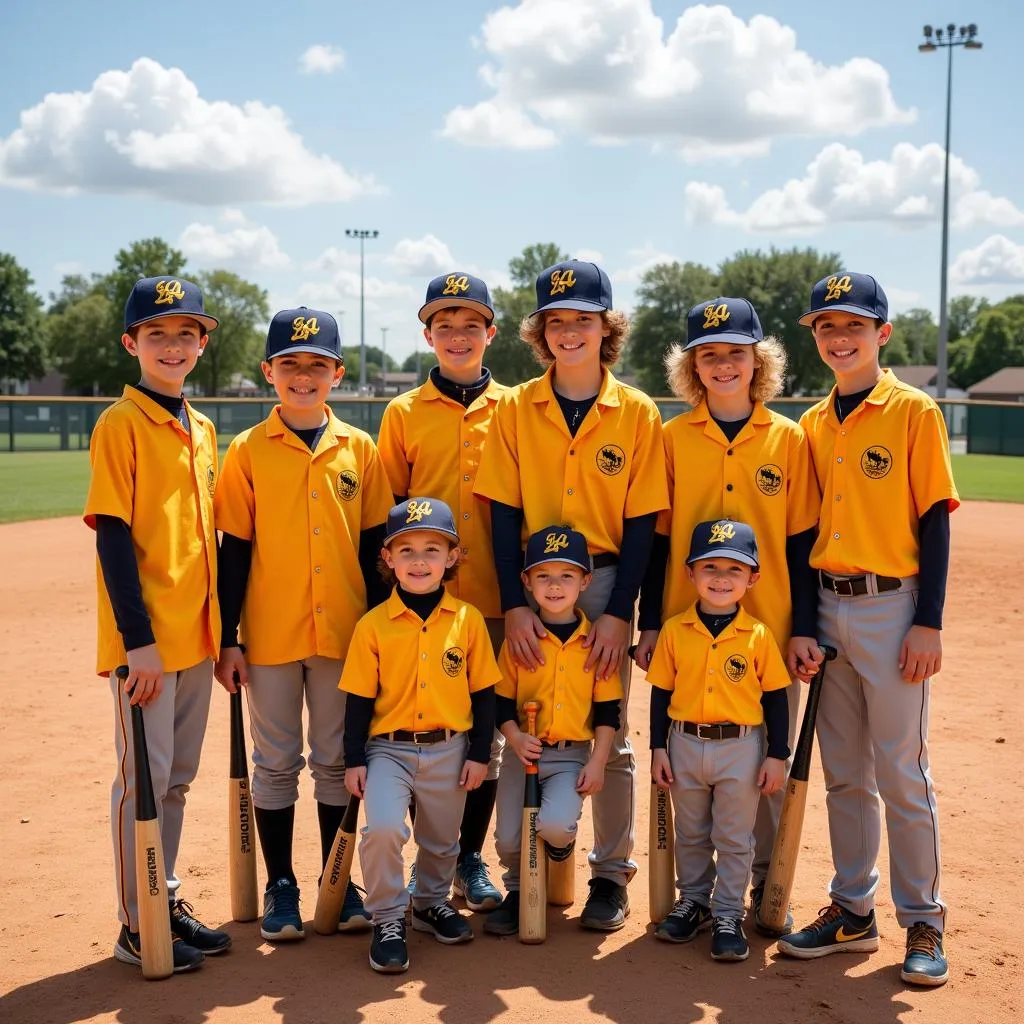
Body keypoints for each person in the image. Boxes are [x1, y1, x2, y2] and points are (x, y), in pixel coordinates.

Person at [475, 259, 669, 931]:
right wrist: (515, 602)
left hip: (605, 581)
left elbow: (644, 523)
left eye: (582, 319)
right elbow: (500, 513)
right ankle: (520, 874)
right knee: (525, 721)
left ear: (606, 327)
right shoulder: (514, 406)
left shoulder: (636, 411)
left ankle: (610, 877)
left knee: (606, 736)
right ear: (540, 332)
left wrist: (622, 613)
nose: (569, 332)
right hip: (533, 582)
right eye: (556, 321)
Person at [777, 272, 959, 988]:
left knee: (902, 772)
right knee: (844, 775)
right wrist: (804, 622)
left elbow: (933, 521)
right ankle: (853, 909)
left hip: (893, 608)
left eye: (854, 325)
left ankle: (923, 917)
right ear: (815, 338)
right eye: (826, 326)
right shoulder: (814, 425)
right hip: (827, 605)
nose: (840, 337)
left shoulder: (912, 412)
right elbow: (800, 536)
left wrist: (929, 622)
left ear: (882, 334)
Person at [634, 296, 821, 934]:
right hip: (684, 628)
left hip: (767, 627)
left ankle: (764, 886)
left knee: (763, 763)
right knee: (687, 771)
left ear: (758, 360)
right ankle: (699, 897)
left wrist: (804, 627)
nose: (722, 365)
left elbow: (800, 544)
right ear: (692, 367)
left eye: (735, 353)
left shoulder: (787, 438)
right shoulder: (672, 437)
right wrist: (650, 622)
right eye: (708, 355)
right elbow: (658, 540)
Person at [214, 307, 392, 941]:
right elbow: (232, 552)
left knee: (337, 760)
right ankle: (282, 884)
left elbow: (377, 553)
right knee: (275, 762)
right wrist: (229, 638)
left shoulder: (360, 449)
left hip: (345, 633)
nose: (303, 376)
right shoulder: (247, 451)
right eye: (290, 364)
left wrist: (382, 636)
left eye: (317, 365)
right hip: (269, 632)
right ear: (269, 372)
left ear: (337, 374)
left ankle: (337, 883)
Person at [84, 276, 230, 973]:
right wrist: (136, 641)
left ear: (202, 344)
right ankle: (135, 922)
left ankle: (162, 896)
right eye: (156, 334)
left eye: (185, 334)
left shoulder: (200, 428)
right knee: (142, 781)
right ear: (131, 343)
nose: (172, 346)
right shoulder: (120, 423)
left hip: (195, 636)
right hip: (145, 642)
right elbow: (111, 536)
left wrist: (222, 636)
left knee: (176, 780)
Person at [376, 272, 508, 911]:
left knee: (486, 738)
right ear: (426, 334)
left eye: (471, 324)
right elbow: (390, 514)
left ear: (491, 332)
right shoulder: (402, 413)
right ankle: (421, 866)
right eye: (444, 325)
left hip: (495, 601)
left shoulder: (515, 408)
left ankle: (468, 857)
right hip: (422, 605)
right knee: (417, 727)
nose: (458, 336)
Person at [340, 498, 500, 974]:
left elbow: (485, 695)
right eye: (405, 549)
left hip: (450, 747)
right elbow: (359, 700)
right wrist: (354, 759)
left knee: (441, 839)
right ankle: (389, 917)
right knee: (385, 828)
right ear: (388, 559)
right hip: (387, 749)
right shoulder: (372, 626)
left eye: (433, 548)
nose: (419, 560)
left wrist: (478, 754)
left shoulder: (468, 621)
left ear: (452, 557)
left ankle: (430, 903)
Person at [647, 519, 791, 962]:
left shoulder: (759, 636)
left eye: (734, 569)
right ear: (690, 573)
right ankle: (695, 902)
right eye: (709, 566)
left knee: (733, 837)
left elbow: (776, 701)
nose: (721, 578)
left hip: (741, 749)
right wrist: (657, 747)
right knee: (690, 833)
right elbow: (660, 694)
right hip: (684, 743)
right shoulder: (675, 630)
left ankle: (728, 912)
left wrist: (776, 755)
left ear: (753, 578)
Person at [484, 526, 622, 935]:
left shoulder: (595, 643)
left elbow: (608, 711)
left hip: (570, 756)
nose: (555, 585)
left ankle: (557, 852)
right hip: (522, 754)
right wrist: (514, 736)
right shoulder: (517, 641)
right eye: (543, 575)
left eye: (567, 575)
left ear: (586, 581)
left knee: (556, 826)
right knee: (509, 840)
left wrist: (598, 762)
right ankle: (517, 890)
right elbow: (501, 701)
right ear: (525, 581)